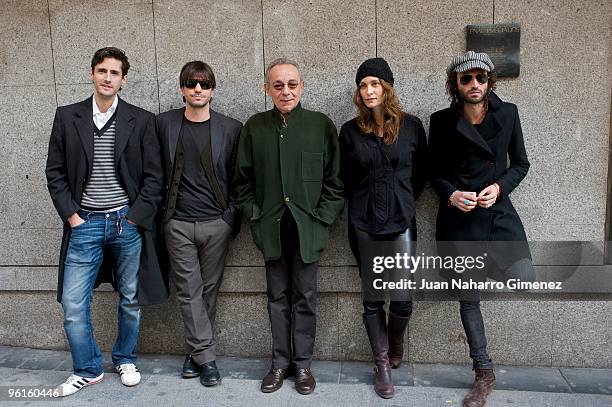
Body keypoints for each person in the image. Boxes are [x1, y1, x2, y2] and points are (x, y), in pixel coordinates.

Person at [46, 47, 166, 396]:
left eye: (115, 73)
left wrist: (133, 219)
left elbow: (154, 178)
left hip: (124, 224)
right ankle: (87, 368)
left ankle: (125, 357)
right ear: (92, 73)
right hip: (84, 224)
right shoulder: (68, 116)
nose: (107, 77)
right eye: (102, 71)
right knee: (72, 304)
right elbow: (55, 172)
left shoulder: (141, 120)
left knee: (130, 297)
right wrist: (72, 217)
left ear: (123, 79)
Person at [233, 58, 344, 395]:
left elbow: (335, 183)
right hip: (271, 229)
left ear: (302, 86)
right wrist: (255, 214)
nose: (286, 91)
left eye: (292, 84)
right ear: (267, 89)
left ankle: (303, 366)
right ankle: (280, 363)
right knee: (277, 297)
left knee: (306, 298)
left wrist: (322, 220)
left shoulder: (321, 126)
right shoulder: (254, 127)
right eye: (278, 85)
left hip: (308, 230)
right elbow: (242, 182)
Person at [428, 50, 533, 407]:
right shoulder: (441, 121)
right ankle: (483, 371)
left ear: (490, 81)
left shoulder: (509, 113)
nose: (474, 84)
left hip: (497, 212)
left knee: (522, 273)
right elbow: (435, 173)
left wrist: (500, 186)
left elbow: (521, 162)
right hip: (460, 218)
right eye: (466, 79)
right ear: (455, 84)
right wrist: (452, 194)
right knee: (468, 296)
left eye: (480, 78)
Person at [339, 57, 427, 399]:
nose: (368, 90)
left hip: (402, 221)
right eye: (363, 85)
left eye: (374, 84)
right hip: (363, 224)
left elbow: (422, 173)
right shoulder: (350, 131)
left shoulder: (412, 126)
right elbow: (344, 178)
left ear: (386, 88)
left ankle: (394, 342)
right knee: (373, 298)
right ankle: (382, 364)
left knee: (402, 299)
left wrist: (404, 199)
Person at [156, 61, 242, 387]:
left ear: (212, 90)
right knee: (189, 291)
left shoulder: (231, 128)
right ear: (181, 89)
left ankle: (194, 353)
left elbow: (239, 178)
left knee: (208, 290)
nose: (197, 89)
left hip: (216, 223)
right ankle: (207, 361)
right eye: (191, 84)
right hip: (177, 223)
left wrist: (230, 217)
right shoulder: (163, 125)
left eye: (204, 85)